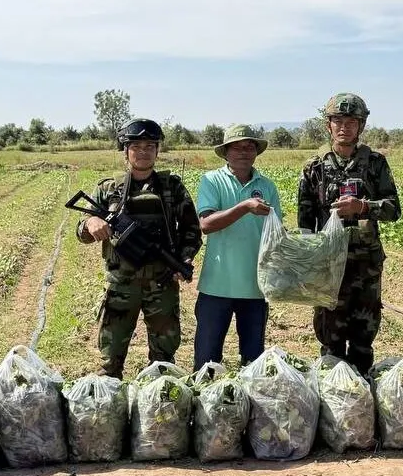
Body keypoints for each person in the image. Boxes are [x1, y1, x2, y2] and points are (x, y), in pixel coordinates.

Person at [76, 118, 201, 378]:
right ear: (126, 150)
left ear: (157, 150)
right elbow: (81, 231)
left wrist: (185, 259)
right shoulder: (108, 189)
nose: (143, 151)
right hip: (120, 285)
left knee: (164, 362)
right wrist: (92, 222)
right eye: (136, 146)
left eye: (149, 146)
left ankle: (158, 405)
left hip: (162, 284)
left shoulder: (172, 187)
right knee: (109, 362)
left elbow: (191, 230)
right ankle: (110, 408)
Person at [297, 93, 401, 375]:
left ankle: (362, 399)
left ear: (361, 125)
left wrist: (363, 206)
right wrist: (309, 265)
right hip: (329, 265)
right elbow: (305, 223)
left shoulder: (376, 163)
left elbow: (393, 209)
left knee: (363, 339)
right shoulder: (314, 167)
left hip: (365, 265)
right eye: (338, 121)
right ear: (328, 125)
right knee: (330, 339)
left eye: (352, 122)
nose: (344, 127)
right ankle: (332, 396)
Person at [193, 124, 283, 370]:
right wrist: (244, 207)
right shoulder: (212, 181)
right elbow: (207, 224)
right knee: (206, 363)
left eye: (250, 146)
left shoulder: (267, 186)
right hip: (216, 285)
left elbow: (276, 233)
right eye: (237, 147)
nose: (244, 152)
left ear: (256, 152)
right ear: (226, 153)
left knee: (253, 364)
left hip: (255, 286)